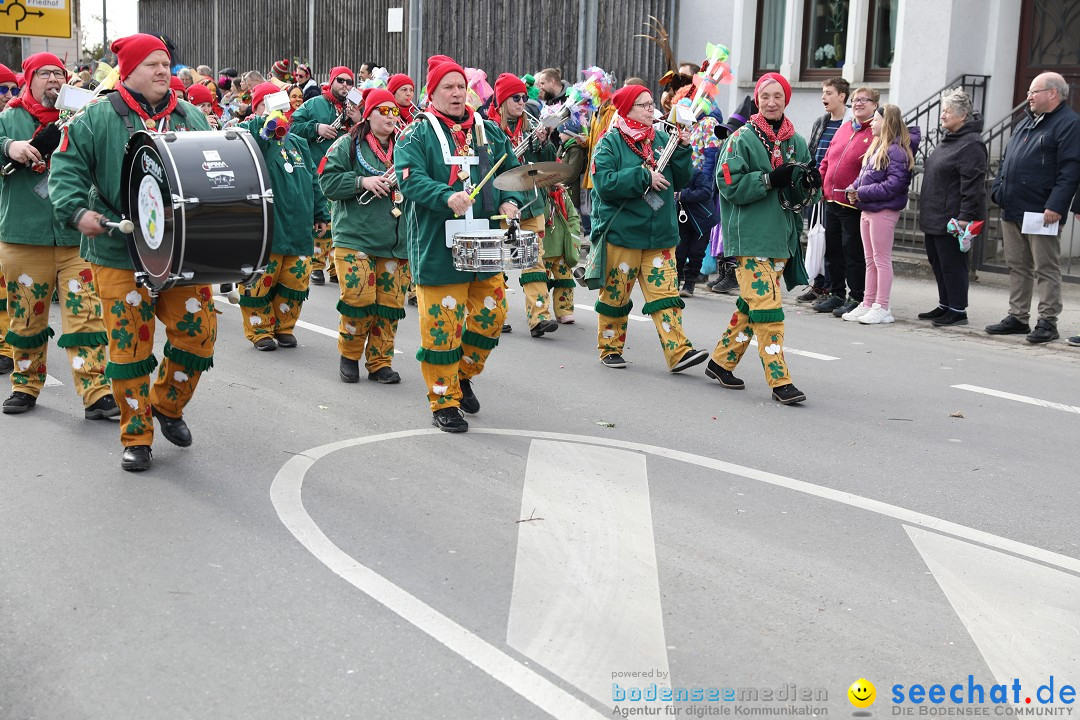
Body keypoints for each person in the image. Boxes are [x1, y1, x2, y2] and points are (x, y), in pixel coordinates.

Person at [49, 33, 215, 472]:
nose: (164, 71)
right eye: (152, 64)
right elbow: (64, 170)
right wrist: (77, 211)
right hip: (119, 249)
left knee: (199, 333)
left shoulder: (190, 115)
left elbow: (216, 171)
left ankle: (167, 405)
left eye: (166, 64)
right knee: (129, 345)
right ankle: (136, 436)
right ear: (129, 71)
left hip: (182, 253)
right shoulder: (94, 117)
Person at [394, 54, 526, 433]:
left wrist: (509, 200)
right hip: (438, 245)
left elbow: (511, 170)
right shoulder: (415, 134)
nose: (456, 94)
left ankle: (462, 375)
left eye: (460, 87)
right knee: (442, 327)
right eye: (447, 88)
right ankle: (444, 400)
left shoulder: (488, 129)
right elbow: (409, 178)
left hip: (483, 243)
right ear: (431, 93)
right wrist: (444, 196)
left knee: (491, 318)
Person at [0, 53, 118, 419]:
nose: (53, 79)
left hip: (76, 239)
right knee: (26, 316)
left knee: (86, 316)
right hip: (23, 235)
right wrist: (9, 146)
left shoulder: (83, 115)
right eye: (44, 73)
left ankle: (96, 391)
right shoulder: (9, 116)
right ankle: (25, 385)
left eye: (58, 74)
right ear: (29, 79)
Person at [707, 72, 821, 405]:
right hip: (751, 240)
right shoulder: (741, 139)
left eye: (778, 97)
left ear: (786, 100)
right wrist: (770, 179)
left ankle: (720, 362)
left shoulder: (797, 142)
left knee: (751, 306)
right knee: (768, 310)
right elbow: (728, 185)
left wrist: (810, 183)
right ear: (757, 99)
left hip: (781, 239)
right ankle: (780, 381)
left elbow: (804, 198)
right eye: (766, 96)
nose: (772, 102)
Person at [589, 84, 709, 373]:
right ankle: (610, 347)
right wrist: (644, 177)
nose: (650, 110)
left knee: (666, 296)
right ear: (627, 109)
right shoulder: (610, 142)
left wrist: (682, 148)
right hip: (624, 234)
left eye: (651, 104)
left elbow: (680, 180)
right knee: (615, 297)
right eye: (643, 105)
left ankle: (678, 352)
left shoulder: (663, 138)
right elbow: (604, 184)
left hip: (660, 234)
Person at [319, 89, 409, 384]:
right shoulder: (347, 144)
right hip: (355, 236)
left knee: (390, 305)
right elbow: (327, 182)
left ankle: (380, 362)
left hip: (396, 240)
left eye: (394, 111)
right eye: (383, 110)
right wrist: (361, 181)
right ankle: (350, 355)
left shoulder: (407, 146)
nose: (390, 116)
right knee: (358, 299)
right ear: (368, 114)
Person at [987, 72, 1080, 344]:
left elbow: (1071, 169)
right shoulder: (1026, 122)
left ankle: (1048, 322)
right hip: (1013, 205)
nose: (1028, 97)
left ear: (1052, 93)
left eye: (1034, 91)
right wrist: (998, 190)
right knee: (1017, 265)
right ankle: (1018, 317)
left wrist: (1056, 204)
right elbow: (1007, 159)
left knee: (1045, 268)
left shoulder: (1069, 124)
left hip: (1042, 210)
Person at [236, 82, 329, 351]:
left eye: (280, 105)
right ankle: (260, 329)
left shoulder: (298, 141)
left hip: (298, 224)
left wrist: (320, 212)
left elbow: (313, 179)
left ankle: (284, 326)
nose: (277, 111)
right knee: (261, 281)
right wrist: (264, 127)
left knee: (295, 280)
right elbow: (253, 146)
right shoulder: (248, 135)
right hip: (266, 224)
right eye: (268, 104)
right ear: (257, 108)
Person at [490, 72, 560, 338]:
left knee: (534, 261)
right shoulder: (489, 129)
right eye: (516, 97)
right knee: (496, 262)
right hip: (499, 206)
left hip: (531, 204)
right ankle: (495, 314)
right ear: (503, 100)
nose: (522, 102)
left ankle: (539, 318)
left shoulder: (531, 127)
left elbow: (548, 164)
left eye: (524, 97)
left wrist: (543, 143)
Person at [917, 89, 987, 327]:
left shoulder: (972, 144)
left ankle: (958, 310)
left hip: (953, 218)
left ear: (963, 115)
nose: (942, 116)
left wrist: (965, 217)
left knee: (953, 265)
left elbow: (972, 184)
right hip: (935, 214)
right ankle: (945, 304)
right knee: (938, 263)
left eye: (947, 111)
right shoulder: (950, 139)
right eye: (942, 110)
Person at [843, 104, 918, 325]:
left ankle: (882, 306)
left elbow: (894, 184)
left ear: (886, 122)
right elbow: (864, 175)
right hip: (868, 208)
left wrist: (861, 192)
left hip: (883, 210)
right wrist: (853, 188)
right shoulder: (877, 146)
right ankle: (868, 302)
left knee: (881, 259)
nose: (872, 123)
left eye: (875, 119)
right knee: (870, 260)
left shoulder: (896, 151)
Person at [813, 86, 879, 318]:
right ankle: (836, 292)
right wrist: (821, 184)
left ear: (875, 105)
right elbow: (826, 160)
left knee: (853, 253)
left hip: (853, 204)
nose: (859, 103)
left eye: (864, 100)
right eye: (856, 100)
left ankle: (857, 296)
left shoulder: (876, 133)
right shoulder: (844, 128)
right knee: (832, 251)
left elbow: (874, 169)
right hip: (830, 199)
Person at [292, 65, 361, 286]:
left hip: (345, 168)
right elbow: (292, 126)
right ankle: (317, 265)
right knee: (322, 217)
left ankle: (334, 266)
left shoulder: (353, 107)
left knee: (342, 218)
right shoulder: (314, 104)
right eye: (340, 80)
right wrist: (317, 128)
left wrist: (359, 119)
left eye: (349, 82)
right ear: (331, 81)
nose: (345, 85)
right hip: (319, 165)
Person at [798, 76, 850, 303]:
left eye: (829, 93)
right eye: (823, 92)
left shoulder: (849, 124)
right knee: (815, 236)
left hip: (836, 192)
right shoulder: (822, 122)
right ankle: (818, 283)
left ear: (842, 96)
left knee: (832, 241)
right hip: (817, 189)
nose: (823, 97)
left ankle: (832, 286)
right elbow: (812, 151)